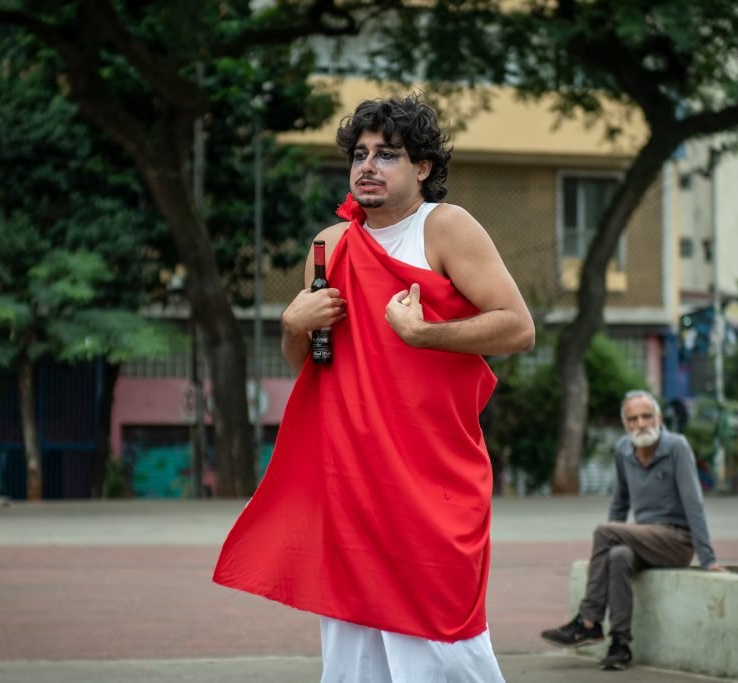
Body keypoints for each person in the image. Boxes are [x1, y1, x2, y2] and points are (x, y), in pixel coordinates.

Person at [213, 93, 535, 682]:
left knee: (442, 639)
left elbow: (518, 327)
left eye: (387, 154)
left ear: (423, 168)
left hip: (430, 473)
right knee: (354, 643)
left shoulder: (445, 228)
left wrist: (424, 334)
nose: (368, 166)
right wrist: (292, 326)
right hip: (351, 477)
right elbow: (311, 362)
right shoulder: (330, 245)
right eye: (360, 154)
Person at [540, 389, 725, 671]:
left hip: (677, 540)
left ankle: (588, 621)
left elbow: (694, 504)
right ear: (626, 424)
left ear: (659, 418)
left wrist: (707, 559)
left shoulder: (677, 447)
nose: (641, 424)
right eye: (634, 418)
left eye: (647, 416)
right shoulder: (623, 451)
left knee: (605, 532)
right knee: (618, 557)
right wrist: (602, 555)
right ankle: (620, 646)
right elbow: (619, 504)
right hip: (644, 539)